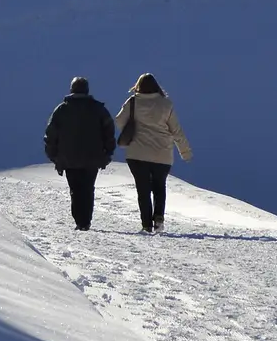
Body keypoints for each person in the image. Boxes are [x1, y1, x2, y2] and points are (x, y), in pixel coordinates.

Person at [116, 73, 191, 233]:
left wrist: (133, 130)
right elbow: (176, 130)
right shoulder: (166, 104)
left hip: (137, 153)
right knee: (159, 187)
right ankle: (158, 220)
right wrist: (184, 152)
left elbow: (119, 120)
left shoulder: (133, 102)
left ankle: (146, 224)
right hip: (162, 154)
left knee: (142, 189)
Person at [43, 76, 116, 230]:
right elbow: (109, 131)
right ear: (87, 90)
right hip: (93, 157)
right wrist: (107, 153)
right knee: (88, 188)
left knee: (75, 190)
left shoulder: (62, 109)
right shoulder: (98, 109)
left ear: (72, 90)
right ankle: (86, 221)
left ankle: (79, 221)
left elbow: (51, 134)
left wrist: (54, 156)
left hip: (68, 158)